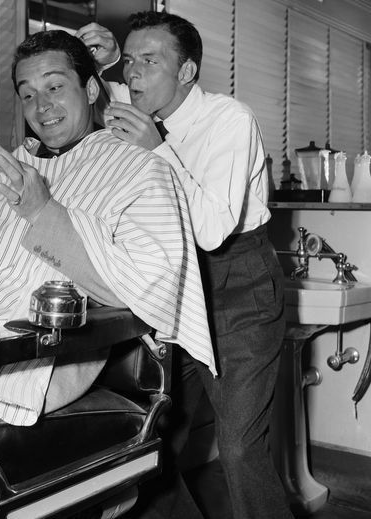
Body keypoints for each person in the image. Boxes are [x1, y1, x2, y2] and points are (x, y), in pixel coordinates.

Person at [0, 29, 214, 427]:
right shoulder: (0, 172)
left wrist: (42, 212)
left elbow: (146, 292)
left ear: (92, 90)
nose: (42, 106)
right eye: (28, 94)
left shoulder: (141, 169)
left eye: (55, 87)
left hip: (28, 354)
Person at [76, 11, 292, 519]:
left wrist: (159, 150)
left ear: (188, 72)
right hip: (175, 288)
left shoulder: (228, 119)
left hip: (240, 286)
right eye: (129, 62)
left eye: (149, 62)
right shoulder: (141, 110)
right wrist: (107, 62)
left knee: (240, 450)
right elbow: (105, 100)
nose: (132, 74)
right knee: (151, 447)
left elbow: (213, 228)